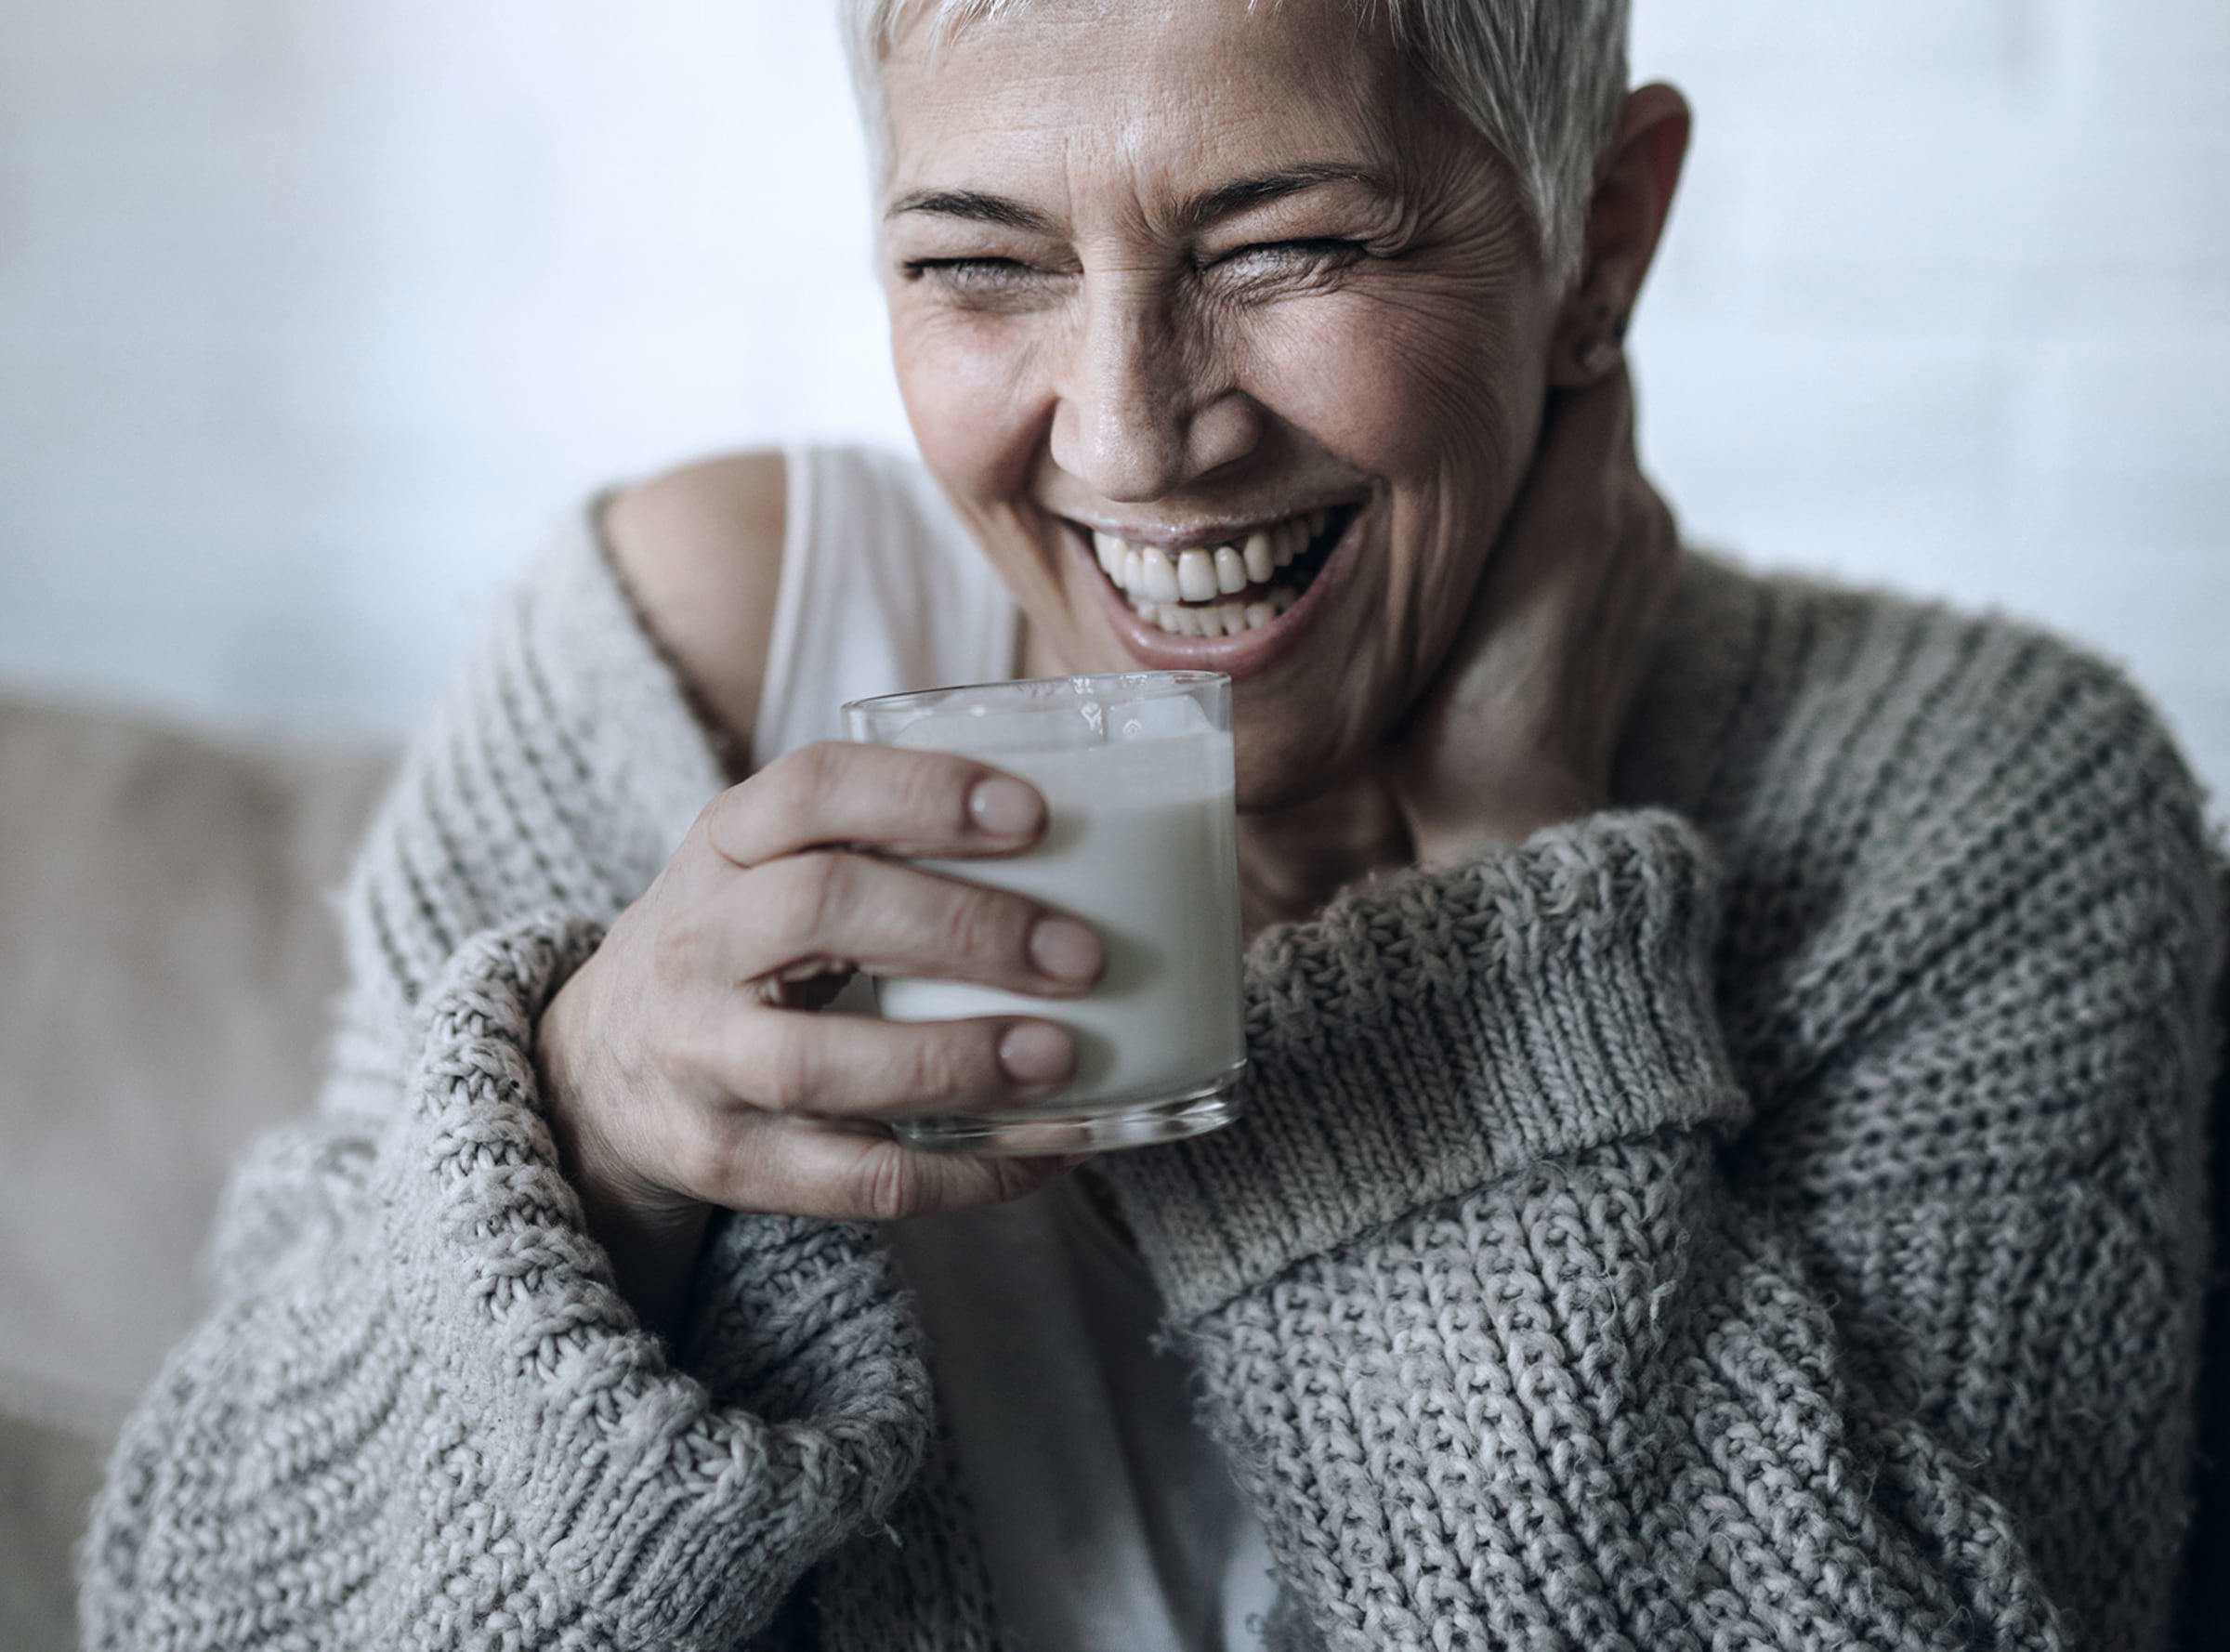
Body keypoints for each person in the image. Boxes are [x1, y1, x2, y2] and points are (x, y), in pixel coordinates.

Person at [82, 2, 2226, 1648]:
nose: (1130, 434)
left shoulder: (1986, 813)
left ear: (1601, 236)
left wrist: (1485, 918)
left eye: (1288, 245)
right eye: (979, 265)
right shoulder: (696, 659)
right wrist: (594, 1151)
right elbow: (203, 1605)